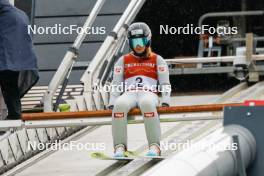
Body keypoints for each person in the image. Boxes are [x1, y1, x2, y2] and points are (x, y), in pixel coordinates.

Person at [108, 22, 171, 157]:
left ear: (147, 40)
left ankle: (155, 146)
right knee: (119, 105)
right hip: (129, 94)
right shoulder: (123, 60)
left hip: (149, 94)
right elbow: (116, 84)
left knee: (147, 104)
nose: (138, 45)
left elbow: (165, 83)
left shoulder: (157, 59)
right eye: (134, 41)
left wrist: (166, 100)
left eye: (141, 40)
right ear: (130, 43)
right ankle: (120, 147)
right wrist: (112, 101)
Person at [0, 0, 39, 120]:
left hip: (9, 46)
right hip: (16, 50)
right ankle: (14, 114)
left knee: (8, 78)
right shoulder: (17, 13)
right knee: (9, 81)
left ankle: (14, 115)